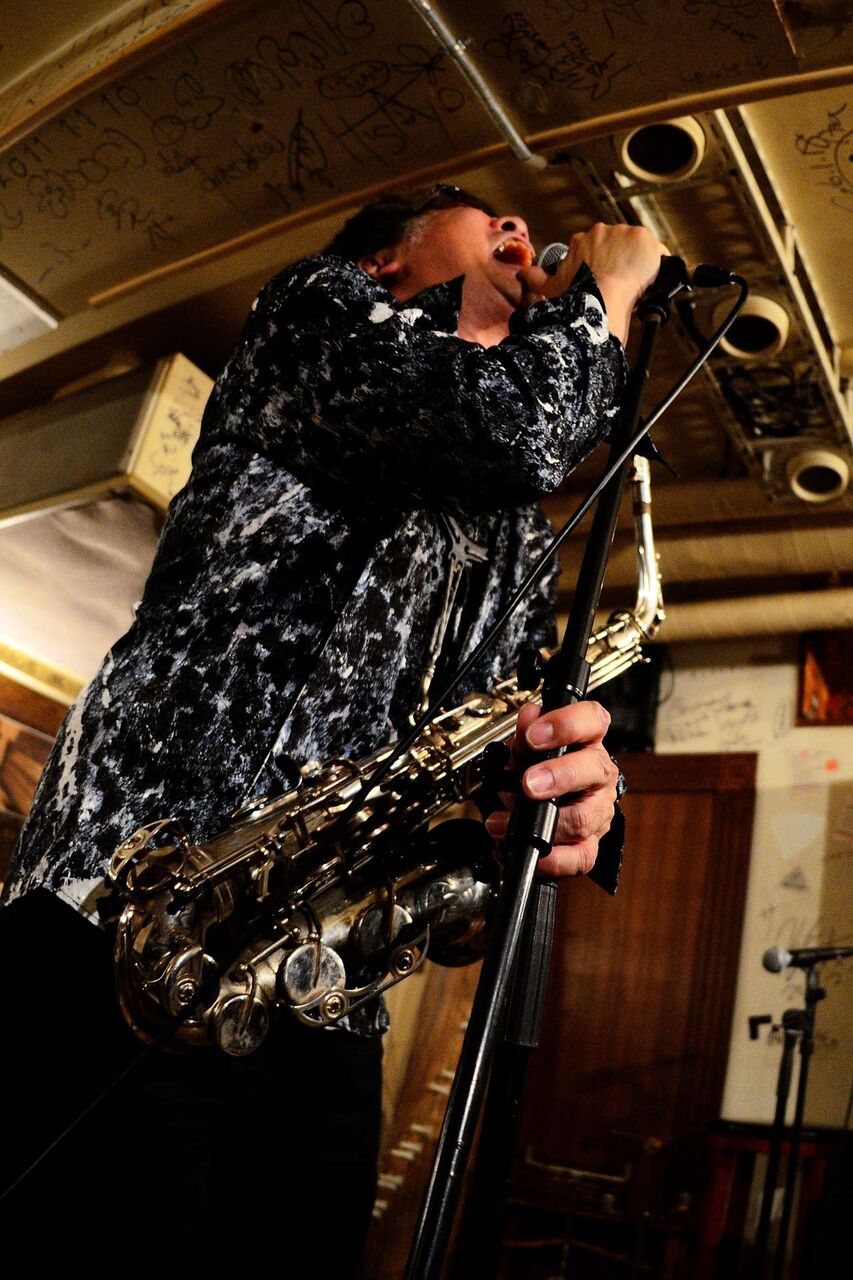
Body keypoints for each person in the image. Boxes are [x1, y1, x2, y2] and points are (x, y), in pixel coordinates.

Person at [0, 183, 667, 1274]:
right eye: (488, 220)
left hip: (317, 996)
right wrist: (606, 295)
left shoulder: (513, 524)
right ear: (385, 262)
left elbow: (501, 726)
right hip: (121, 928)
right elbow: (512, 427)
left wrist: (568, 794)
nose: (519, 232)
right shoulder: (318, 312)